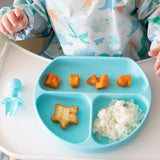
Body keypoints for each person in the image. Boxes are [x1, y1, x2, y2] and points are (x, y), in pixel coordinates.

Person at [0, 0, 160, 75]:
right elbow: (39, 11)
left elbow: (155, 10)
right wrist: (23, 18)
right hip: (73, 64)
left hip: (133, 64)